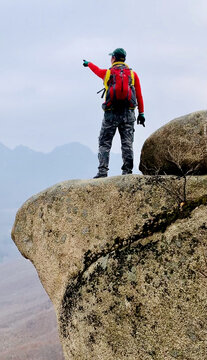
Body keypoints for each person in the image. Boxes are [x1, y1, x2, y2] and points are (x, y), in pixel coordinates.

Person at [83, 48, 145, 178]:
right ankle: (127, 172)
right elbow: (139, 95)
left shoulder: (108, 73)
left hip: (111, 114)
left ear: (114, 58)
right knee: (127, 144)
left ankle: (102, 171)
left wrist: (88, 64)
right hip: (128, 114)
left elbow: (97, 70)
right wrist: (142, 113)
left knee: (104, 142)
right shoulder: (133, 75)